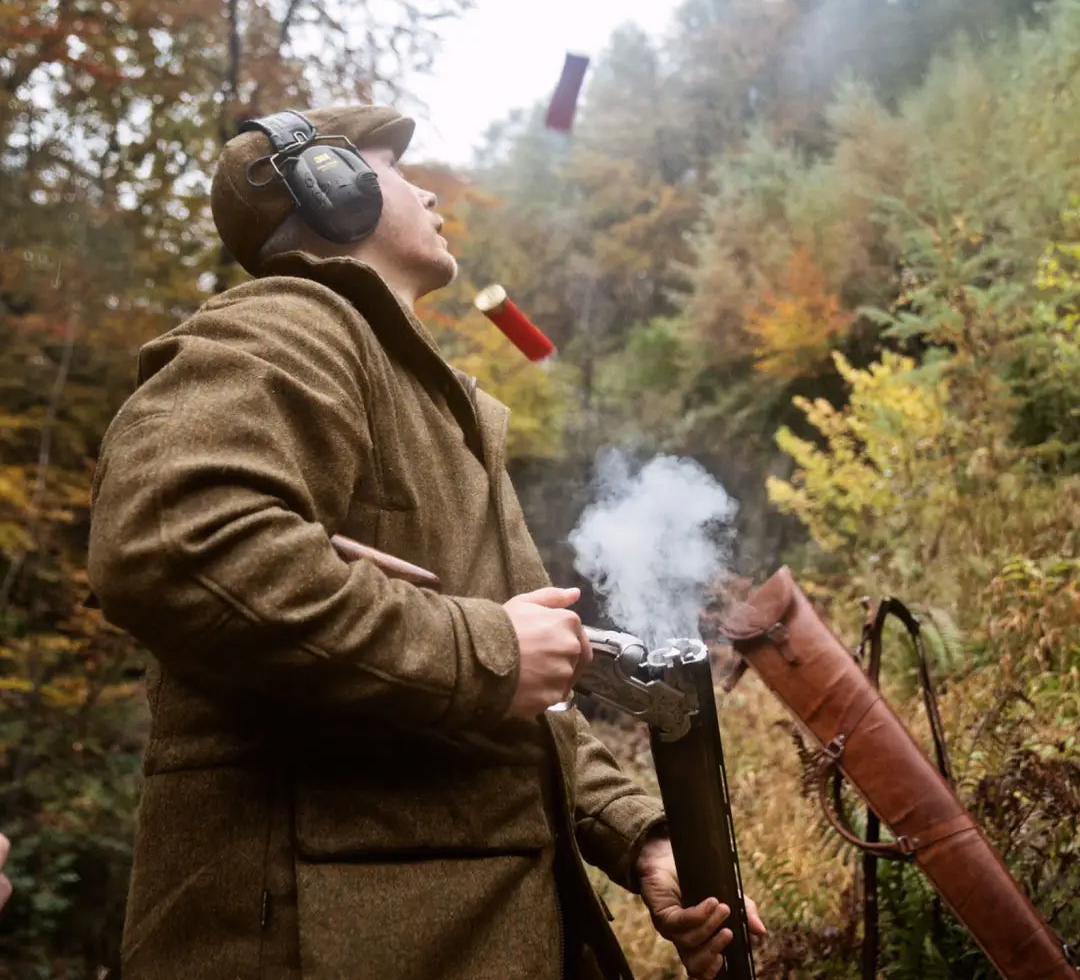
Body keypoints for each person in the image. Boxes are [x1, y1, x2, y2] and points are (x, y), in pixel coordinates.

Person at [87, 105, 764, 980]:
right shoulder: (289, 325)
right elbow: (172, 540)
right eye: (397, 170)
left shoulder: (433, 406)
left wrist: (638, 839)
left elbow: (519, 699)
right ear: (339, 194)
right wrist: (481, 649)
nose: (430, 190)